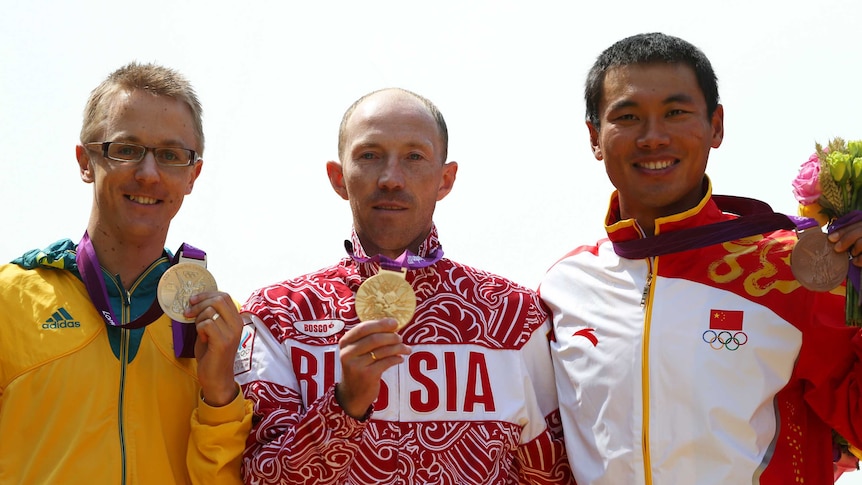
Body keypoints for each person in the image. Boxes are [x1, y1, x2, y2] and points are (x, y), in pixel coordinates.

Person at [539, 32, 862, 484]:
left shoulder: (795, 270)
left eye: (676, 112)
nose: (653, 137)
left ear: (716, 126)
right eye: (628, 117)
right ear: (595, 137)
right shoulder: (563, 288)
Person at [235, 88, 573, 484]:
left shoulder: (514, 316)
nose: (391, 178)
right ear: (338, 177)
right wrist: (345, 405)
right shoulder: (278, 314)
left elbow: (553, 476)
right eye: (369, 155)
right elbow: (260, 477)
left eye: (414, 157)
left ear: (445, 179)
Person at [0, 62, 252, 484]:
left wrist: (220, 395)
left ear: (193, 174)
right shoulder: (10, 300)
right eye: (127, 149)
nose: (148, 173)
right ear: (85, 161)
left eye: (171, 155)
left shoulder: (223, 328)